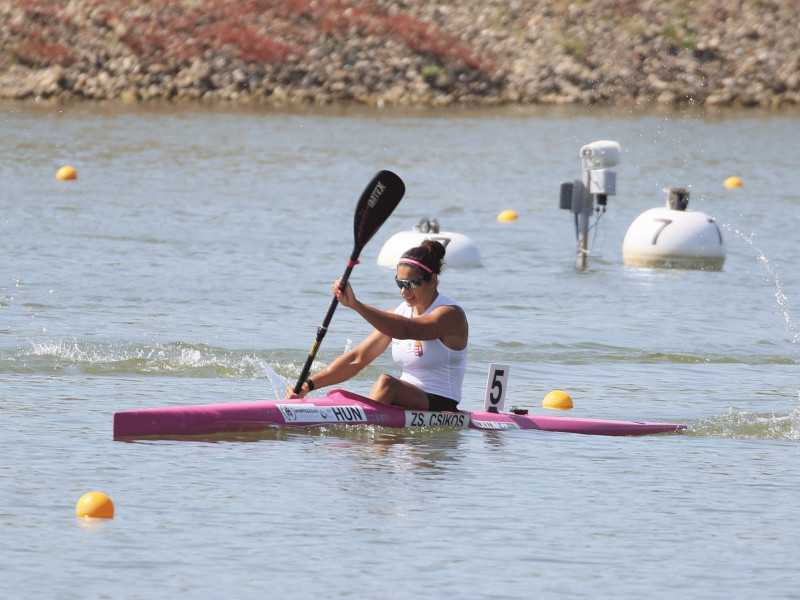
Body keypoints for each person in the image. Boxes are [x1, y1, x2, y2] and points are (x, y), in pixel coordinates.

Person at [285, 239, 468, 411]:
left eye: (412, 284)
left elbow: (408, 329)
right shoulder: (396, 315)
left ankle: (358, 431)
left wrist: (356, 306)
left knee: (386, 383)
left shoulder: (450, 315)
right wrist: (308, 386)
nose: (403, 291)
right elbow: (357, 359)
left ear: (432, 280)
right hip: (405, 399)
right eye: (399, 283)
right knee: (357, 395)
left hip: (441, 403)